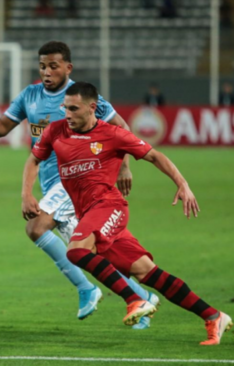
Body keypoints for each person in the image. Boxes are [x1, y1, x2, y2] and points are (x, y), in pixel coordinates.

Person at [0, 41, 157, 329]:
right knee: (94, 253)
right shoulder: (30, 95)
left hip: (80, 178)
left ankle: (87, 289)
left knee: (36, 227)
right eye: (42, 66)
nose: (46, 72)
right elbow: (2, 126)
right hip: (56, 186)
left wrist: (124, 166)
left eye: (53, 66)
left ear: (67, 67)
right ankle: (141, 297)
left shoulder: (82, 96)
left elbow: (121, 127)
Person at [23, 81, 232, 345]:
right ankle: (213, 315)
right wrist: (26, 194)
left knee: (76, 251)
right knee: (148, 273)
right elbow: (33, 159)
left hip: (109, 206)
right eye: (65, 108)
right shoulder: (56, 131)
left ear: (92, 108)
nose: (67, 114)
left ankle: (135, 300)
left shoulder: (113, 134)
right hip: (88, 212)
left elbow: (154, 156)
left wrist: (182, 183)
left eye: (73, 109)